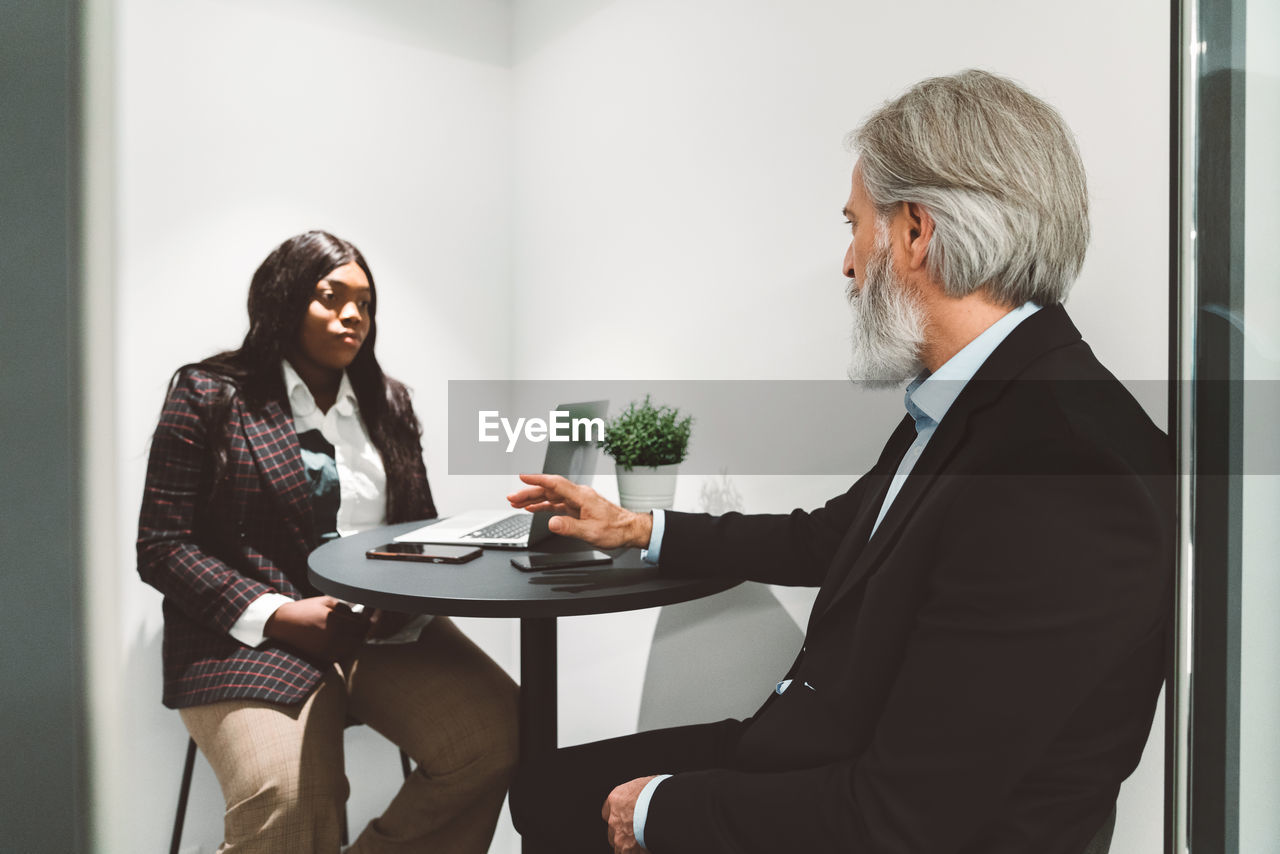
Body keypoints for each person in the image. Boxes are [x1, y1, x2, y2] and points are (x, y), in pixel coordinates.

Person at [505, 70, 1173, 854]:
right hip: (820, 752)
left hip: (863, 808)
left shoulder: (1059, 468)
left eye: (856, 225)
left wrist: (658, 812)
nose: (849, 266)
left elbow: (898, 819)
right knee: (542, 787)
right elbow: (831, 538)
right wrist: (639, 526)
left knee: (567, 805)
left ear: (916, 232)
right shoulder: (987, 397)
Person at [137, 231, 518, 853]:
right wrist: (280, 615)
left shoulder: (387, 403)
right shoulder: (209, 395)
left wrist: (423, 575)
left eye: (365, 303)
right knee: (290, 801)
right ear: (283, 302)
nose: (353, 316)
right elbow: (162, 545)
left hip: (381, 631)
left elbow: (415, 522)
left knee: (498, 737)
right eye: (330, 297)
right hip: (251, 638)